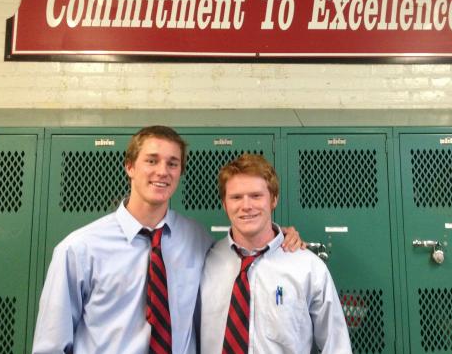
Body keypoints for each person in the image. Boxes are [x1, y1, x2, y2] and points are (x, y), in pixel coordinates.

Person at [32, 126, 302, 354]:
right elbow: (51, 344)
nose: (162, 171)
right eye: (151, 160)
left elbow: (246, 251)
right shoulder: (79, 249)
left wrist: (284, 238)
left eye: (172, 163)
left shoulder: (197, 240)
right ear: (129, 167)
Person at [199, 153, 352, 353]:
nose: (246, 206)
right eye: (236, 197)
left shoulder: (308, 268)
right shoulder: (204, 262)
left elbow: (336, 346)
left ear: (273, 199)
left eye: (256, 196)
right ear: (225, 205)